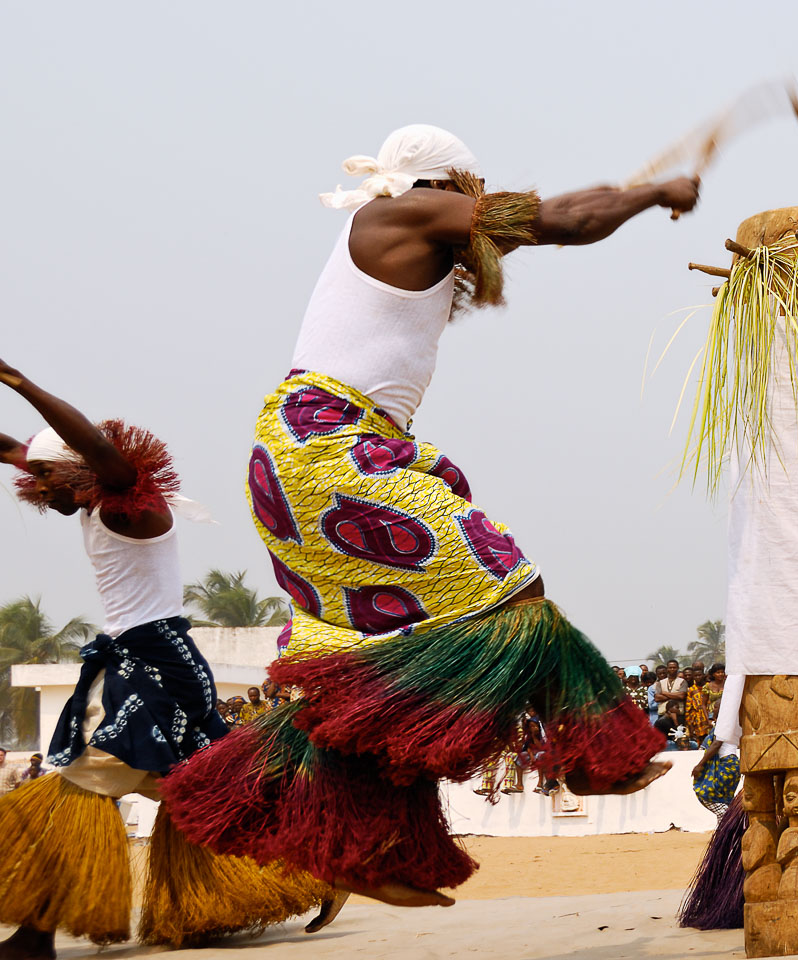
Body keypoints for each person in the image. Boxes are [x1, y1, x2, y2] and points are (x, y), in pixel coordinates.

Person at [160, 124, 696, 911]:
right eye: (473, 191)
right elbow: (564, 220)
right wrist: (655, 193)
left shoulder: (414, 236)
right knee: (510, 589)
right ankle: (587, 750)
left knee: (397, 653)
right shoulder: (401, 216)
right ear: (447, 184)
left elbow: (550, 222)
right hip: (330, 450)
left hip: (317, 455)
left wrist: (630, 197)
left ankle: (354, 842)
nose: (479, 205)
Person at [0, 365, 324, 956]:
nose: (36, 488)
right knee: (185, 790)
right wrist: (22, 450)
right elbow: (12, 448)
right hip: (140, 661)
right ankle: (312, 864)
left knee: (83, 782)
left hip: (157, 666)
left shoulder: (134, 512)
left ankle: (34, 934)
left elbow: (97, 447)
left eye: (45, 475)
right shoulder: (89, 498)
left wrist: (15, 380)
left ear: (83, 468)